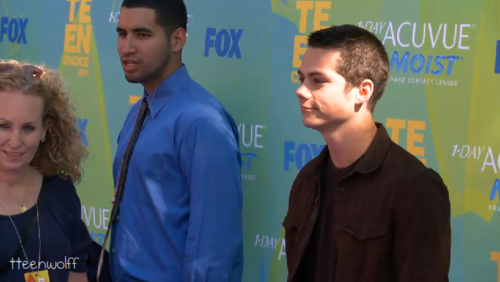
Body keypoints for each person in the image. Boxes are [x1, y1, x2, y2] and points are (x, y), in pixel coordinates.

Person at [282, 24, 451, 282]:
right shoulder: (307, 180)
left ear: (363, 91)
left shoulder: (414, 188)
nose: (301, 90)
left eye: (318, 80)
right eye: (301, 78)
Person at [108, 0, 244, 281]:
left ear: (177, 39)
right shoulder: (138, 111)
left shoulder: (202, 123)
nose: (127, 47)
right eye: (122, 33)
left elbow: (213, 246)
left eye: (142, 34)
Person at [0, 60, 92, 282]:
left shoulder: (61, 193)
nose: (15, 141)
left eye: (28, 128)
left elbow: (76, 270)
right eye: (4, 126)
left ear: (45, 130)